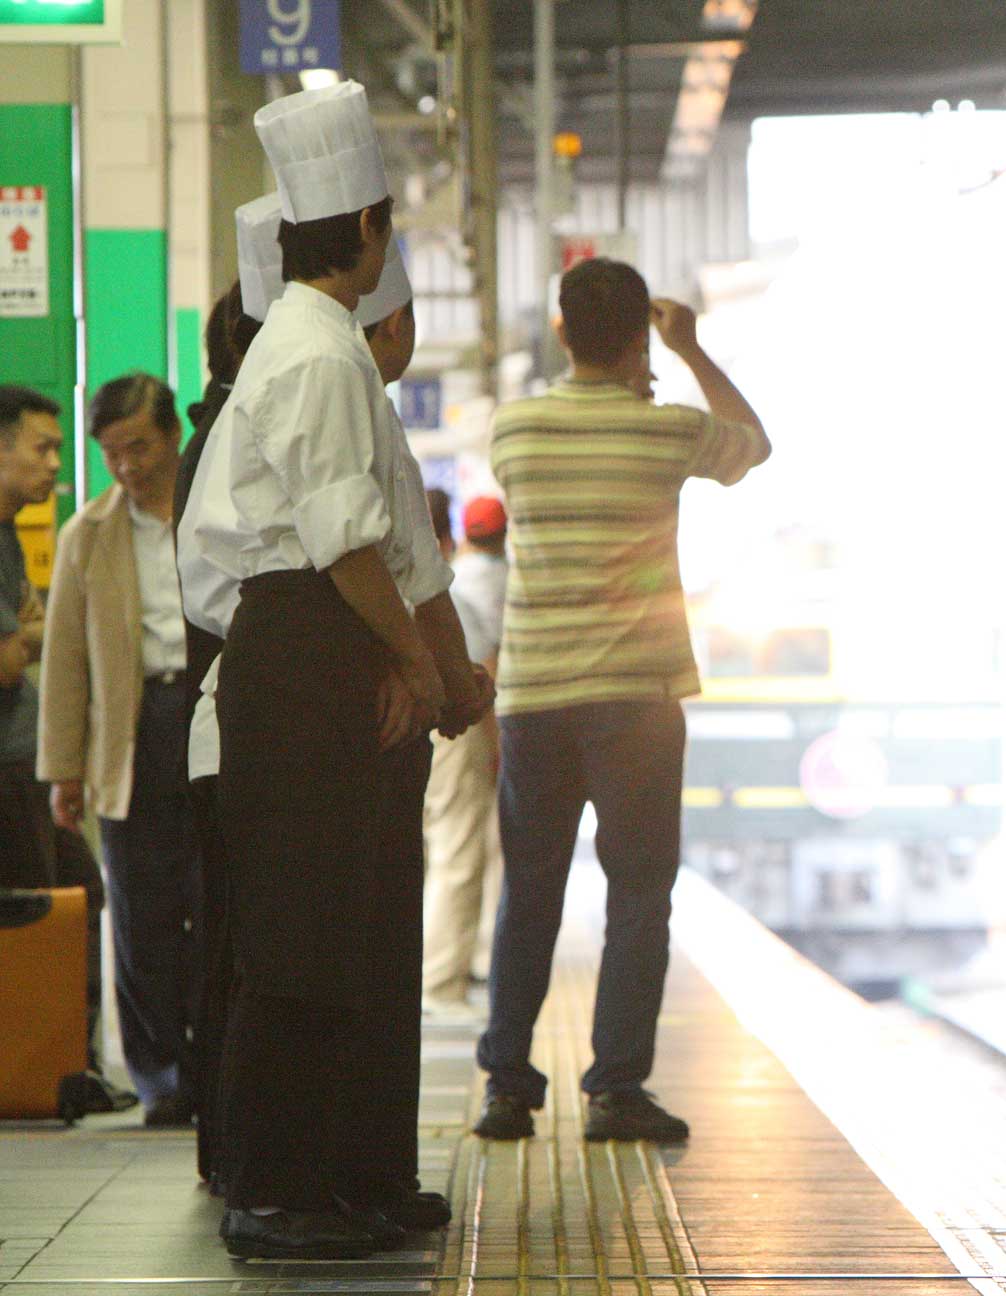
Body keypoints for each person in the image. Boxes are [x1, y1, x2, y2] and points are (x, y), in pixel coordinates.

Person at [177, 82, 490, 1260]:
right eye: (388, 222)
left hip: (323, 646)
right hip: (301, 650)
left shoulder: (318, 349)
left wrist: (424, 669)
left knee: (334, 937)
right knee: (296, 939)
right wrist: (413, 662)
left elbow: (383, 555)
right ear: (363, 227)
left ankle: (333, 1180)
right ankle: (271, 1195)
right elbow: (348, 542)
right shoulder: (313, 356)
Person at [473, 257, 768, 1143]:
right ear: (642, 331)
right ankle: (613, 1091)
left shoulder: (514, 430)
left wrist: (635, 367)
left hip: (535, 698)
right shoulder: (666, 431)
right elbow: (751, 444)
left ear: (561, 330)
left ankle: (507, 1088)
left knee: (529, 891)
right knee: (638, 893)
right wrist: (689, 352)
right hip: (636, 701)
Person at [38, 373, 199, 1129]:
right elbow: (66, 664)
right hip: (129, 733)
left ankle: (213, 1066)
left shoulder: (215, 512)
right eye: (111, 454)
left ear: (171, 435)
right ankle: (162, 1078)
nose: (128, 467)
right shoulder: (88, 535)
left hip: (209, 718)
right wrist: (62, 770)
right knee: (139, 911)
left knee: (212, 897)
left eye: (138, 446)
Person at [179, 191, 281, 1193]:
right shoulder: (225, 441)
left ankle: (229, 1159)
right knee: (242, 955)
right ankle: (236, 1163)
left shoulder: (212, 434)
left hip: (229, 726)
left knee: (233, 946)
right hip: (238, 727)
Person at [0, 386, 136, 1118]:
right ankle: (42, 1073)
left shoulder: (10, 533)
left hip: (24, 762)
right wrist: (26, 636)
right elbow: (9, 657)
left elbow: (25, 637)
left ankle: (67, 1065)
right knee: (40, 919)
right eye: (41, 447)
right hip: (8, 770)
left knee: (80, 896)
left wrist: (25, 634)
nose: (56, 463)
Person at [421, 494, 507, 1018]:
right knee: (459, 850)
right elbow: (476, 667)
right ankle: (441, 981)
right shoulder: (439, 593)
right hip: (452, 728)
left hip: (415, 726)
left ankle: (434, 974)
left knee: (437, 850)